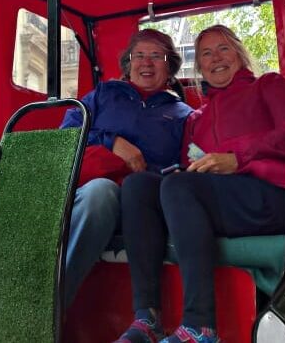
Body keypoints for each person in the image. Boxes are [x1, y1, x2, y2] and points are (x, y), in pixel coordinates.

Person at [115, 24, 285, 343]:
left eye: (223, 48)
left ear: (239, 54)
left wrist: (237, 157)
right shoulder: (195, 119)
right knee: (140, 186)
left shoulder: (268, 85)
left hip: (270, 196)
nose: (215, 57)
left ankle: (200, 327)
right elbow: (190, 165)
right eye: (206, 53)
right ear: (199, 66)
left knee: (180, 187)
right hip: (218, 202)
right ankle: (147, 317)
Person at [60, 29, 193, 309]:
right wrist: (112, 142)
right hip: (87, 192)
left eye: (156, 56)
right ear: (128, 63)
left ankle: (47, 312)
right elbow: (65, 134)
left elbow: (187, 166)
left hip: (143, 204)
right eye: (139, 55)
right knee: (99, 192)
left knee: (105, 192)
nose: (146, 62)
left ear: (169, 66)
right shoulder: (103, 94)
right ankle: (49, 309)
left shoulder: (184, 114)